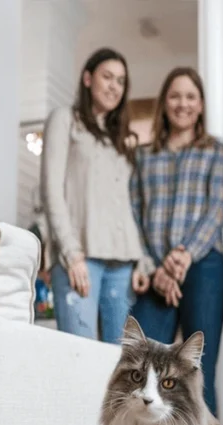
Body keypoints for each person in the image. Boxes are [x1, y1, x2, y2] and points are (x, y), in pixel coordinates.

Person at [129, 66, 223, 416]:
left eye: (190, 96)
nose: (182, 104)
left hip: (204, 267)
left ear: (200, 105)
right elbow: (135, 214)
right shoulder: (142, 156)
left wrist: (184, 257)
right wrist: (155, 268)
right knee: (141, 365)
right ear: (163, 103)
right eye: (175, 96)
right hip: (156, 272)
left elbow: (217, 208)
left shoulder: (215, 151)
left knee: (197, 371)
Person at [40, 47, 149, 343]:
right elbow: (51, 190)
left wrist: (140, 260)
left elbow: (128, 205)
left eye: (121, 81)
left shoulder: (122, 140)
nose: (114, 86)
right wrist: (71, 254)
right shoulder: (65, 120)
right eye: (107, 77)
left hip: (123, 262)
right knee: (80, 357)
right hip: (81, 257)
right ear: (88, 78)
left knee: (120, 368)